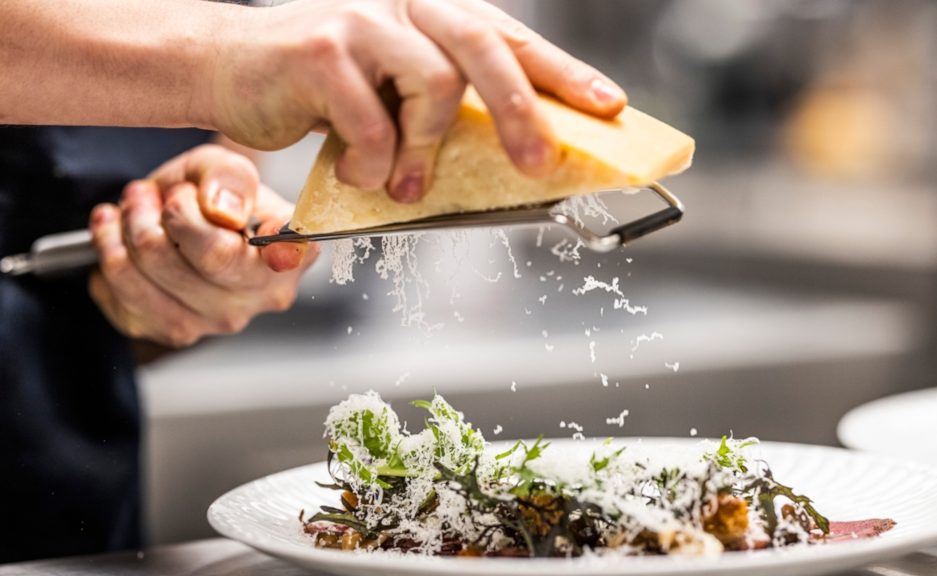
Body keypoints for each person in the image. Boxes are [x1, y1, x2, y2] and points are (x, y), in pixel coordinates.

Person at [0, 0, 627, 564]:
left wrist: (191, 275)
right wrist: (220, 59)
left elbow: (150, 300)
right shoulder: (238, 43)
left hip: (68, 512)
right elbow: (234, 69)